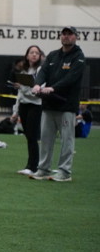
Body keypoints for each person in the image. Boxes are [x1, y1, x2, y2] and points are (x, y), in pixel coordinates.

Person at [29, 27, 86, 182]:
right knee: (46, 139)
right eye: (64, 34)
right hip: (49, 104)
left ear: (75, 37)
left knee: (67, 140)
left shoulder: (79, 57)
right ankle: (43, 169)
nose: (66, 37)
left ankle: (64, 172)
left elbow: (71, 78)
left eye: (70, 34)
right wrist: (37, 84)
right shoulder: (53, 55)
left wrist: (53, 88)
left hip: (66, 105)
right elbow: (43, 72)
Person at [9, 45, 44, 176]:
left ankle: (34, 166)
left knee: (32, 136)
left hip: (35, 105)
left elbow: (37, 93)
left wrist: (23, 87)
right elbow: (20, 94)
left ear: (40, 56)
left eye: (37, 53)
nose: (34, 55)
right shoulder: (24, 70)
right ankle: (31, 165)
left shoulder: (41, 70)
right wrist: (15, 112)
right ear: (27, 55)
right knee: (28, 136)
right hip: (24, 105)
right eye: (31, 52)